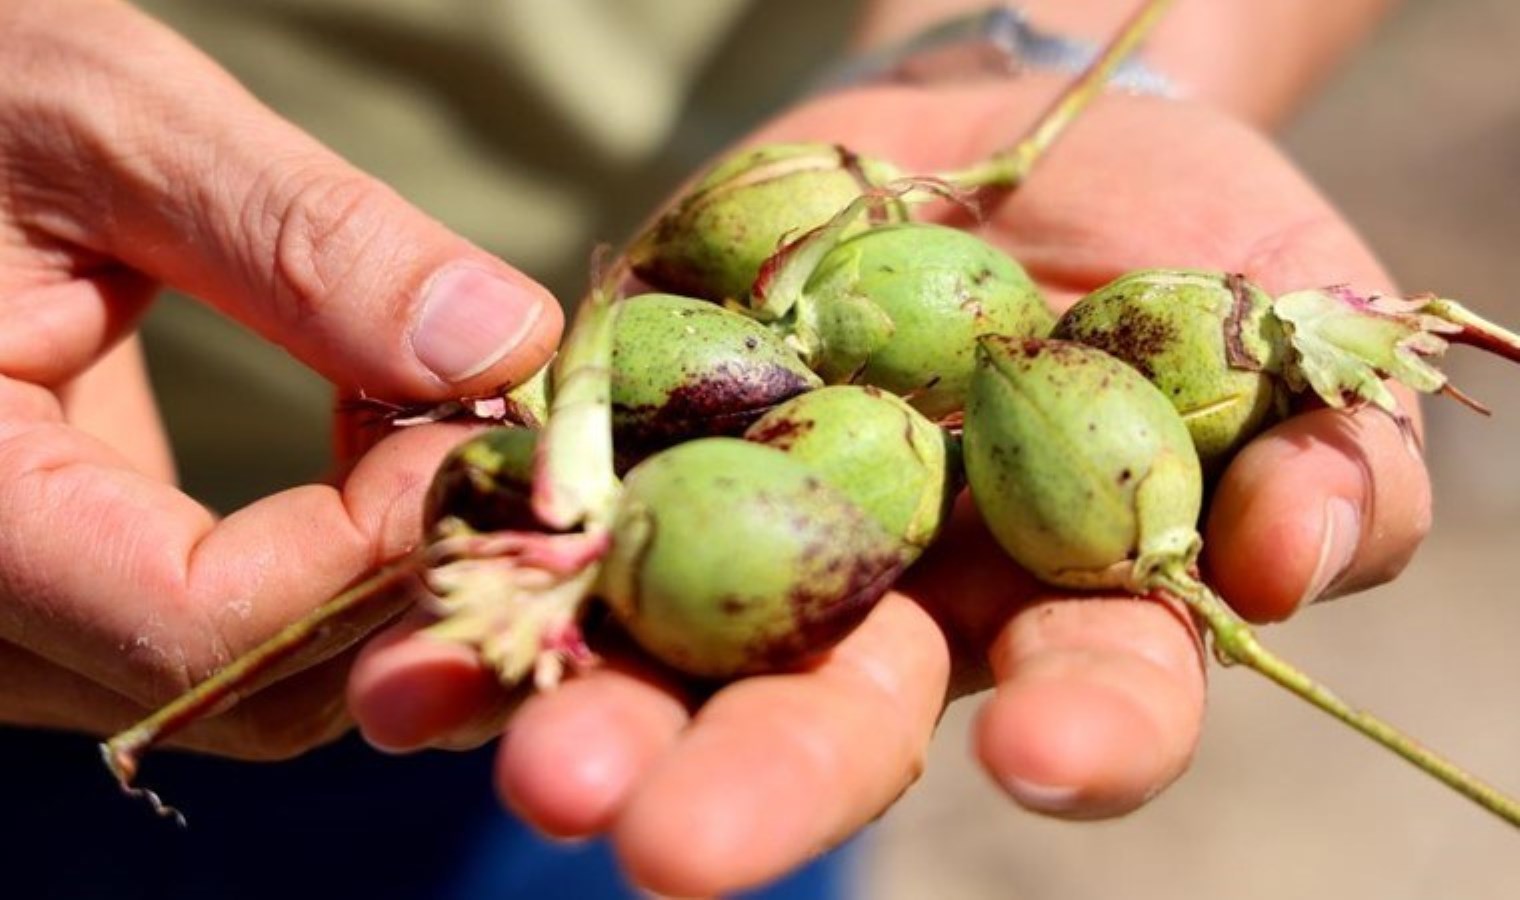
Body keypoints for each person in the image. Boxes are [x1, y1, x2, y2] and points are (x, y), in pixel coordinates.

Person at [0, 0, 1420, 896]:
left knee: (663, 820)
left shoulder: (918, 404)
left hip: (557, 676)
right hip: (98, 463)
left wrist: (1046, 42)